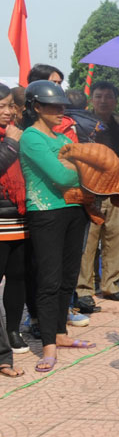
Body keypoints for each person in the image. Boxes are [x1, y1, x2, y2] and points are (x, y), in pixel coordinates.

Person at [18, 81, 97, 373]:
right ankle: (48, 345)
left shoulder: (60, 137)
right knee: (49, 281)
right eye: (54, 106)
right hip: (46, 212)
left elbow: (78, 170)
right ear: (36, 107)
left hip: (74, 210)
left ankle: (61, 334)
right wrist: (80, 168)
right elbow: (61, 177)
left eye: (63, 106)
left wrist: (75, 167)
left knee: (68, 277)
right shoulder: (32, 137)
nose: (61, 111)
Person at [75, 81, 119, 306]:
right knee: (89, 242)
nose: (103, 100)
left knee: (114, 238)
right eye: (99, 96)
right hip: (90, 191)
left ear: (115, 100)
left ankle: (111, 285)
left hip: (116, 191)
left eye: (108, 96)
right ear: (92, 99)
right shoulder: (82, 124)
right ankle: (84, 289)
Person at [0, 84, 29, 363]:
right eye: (2, 106)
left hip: (18, 217)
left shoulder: (17, 134)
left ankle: (13, 330)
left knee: (17, 277)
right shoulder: (11, 138)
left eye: (11, 106)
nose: (9, 112)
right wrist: (10, 143)